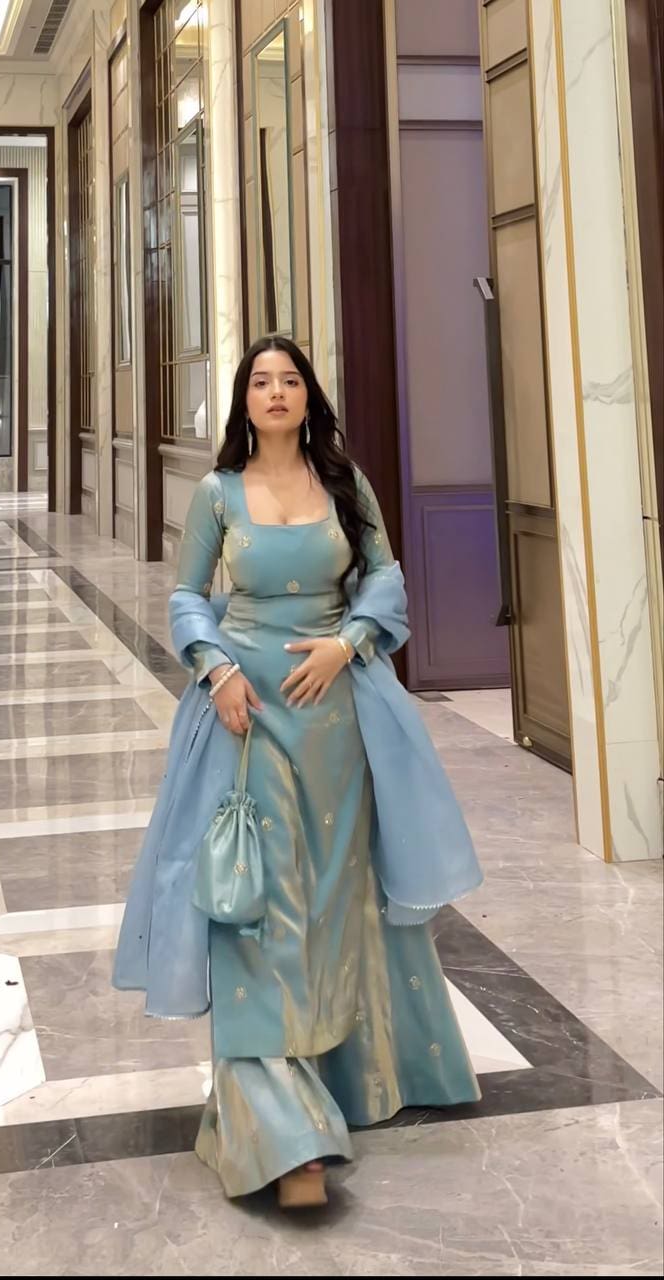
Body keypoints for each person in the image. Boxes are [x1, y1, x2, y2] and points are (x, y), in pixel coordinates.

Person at [113, 337, 483, 1208]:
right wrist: (216, 670)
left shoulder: (345, 486)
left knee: (333, 900)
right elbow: (187, 596)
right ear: (244, 401)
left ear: (308, 398)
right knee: (261, 906)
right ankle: (285, 1138)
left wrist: (345, 643)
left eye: (289, 380)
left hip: (337, 717)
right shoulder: (218, 493)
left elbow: (384, 578)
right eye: (260, 381)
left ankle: (347, 1082)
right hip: (245, 716)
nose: (275, 391)